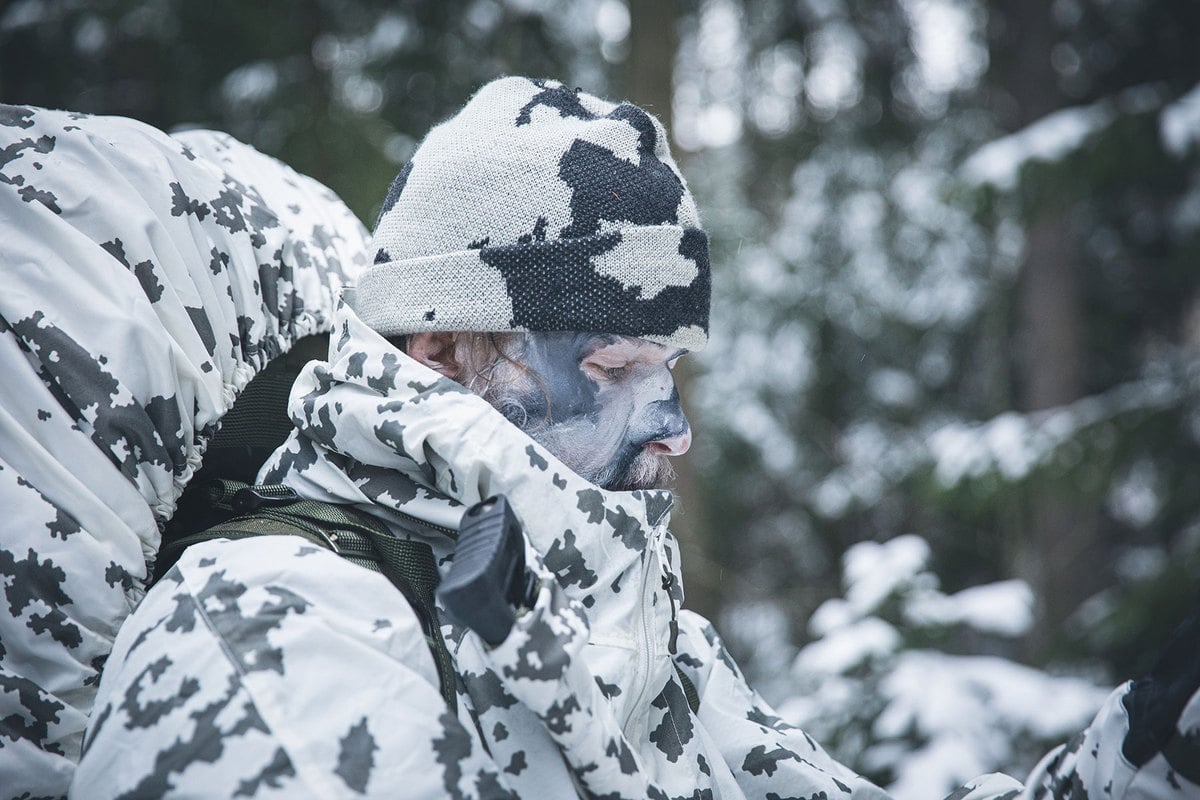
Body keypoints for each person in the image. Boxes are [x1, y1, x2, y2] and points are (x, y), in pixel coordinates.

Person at [67, 77, 1199, 799]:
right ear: (443, 350)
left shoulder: (602, 607)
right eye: (615, 367)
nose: (675, 426)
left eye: (673, 366)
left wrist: (1144, 756)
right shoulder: (272, 642)